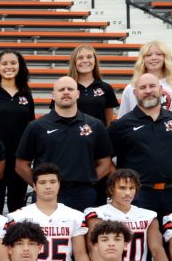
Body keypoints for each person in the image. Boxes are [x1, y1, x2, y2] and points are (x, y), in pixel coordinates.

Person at [110, 72, 172, 223]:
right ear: (135, 93)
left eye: (152, 86)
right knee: (140, 244)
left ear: (160, 90)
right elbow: (105, 158)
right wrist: (121, 181)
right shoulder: (121, 125)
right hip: (137, 195)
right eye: (143, 87)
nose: (148, 90)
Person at [15, 76, 114, 211]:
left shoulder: (95, 125)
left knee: (84, 232)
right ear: (53, 95)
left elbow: (105, 163)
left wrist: (89, 179)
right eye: (61, 89)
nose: (66, 92)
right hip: (48, 195)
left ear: (78, 94)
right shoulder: (37, 126)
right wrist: (42, 184)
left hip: (84, 194)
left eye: (70, 89)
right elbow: (21, 165)